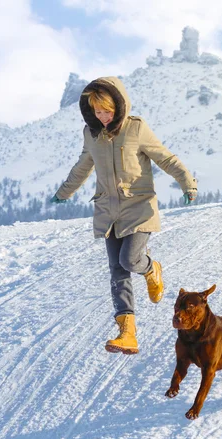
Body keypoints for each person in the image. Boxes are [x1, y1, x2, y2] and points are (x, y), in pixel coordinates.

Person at [51, 76, 197, 355]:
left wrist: (187, 183)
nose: (102, 117)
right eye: (97, 112)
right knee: (117, 272)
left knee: (129, 259)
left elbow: (165, 158)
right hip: (108, 210)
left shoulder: (136, 128)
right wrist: (64, 192)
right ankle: (127, 332)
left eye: (107, 111)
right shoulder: (91, 134)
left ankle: (152, 268)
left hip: (138, 207)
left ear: (119, 106)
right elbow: (83, 165)